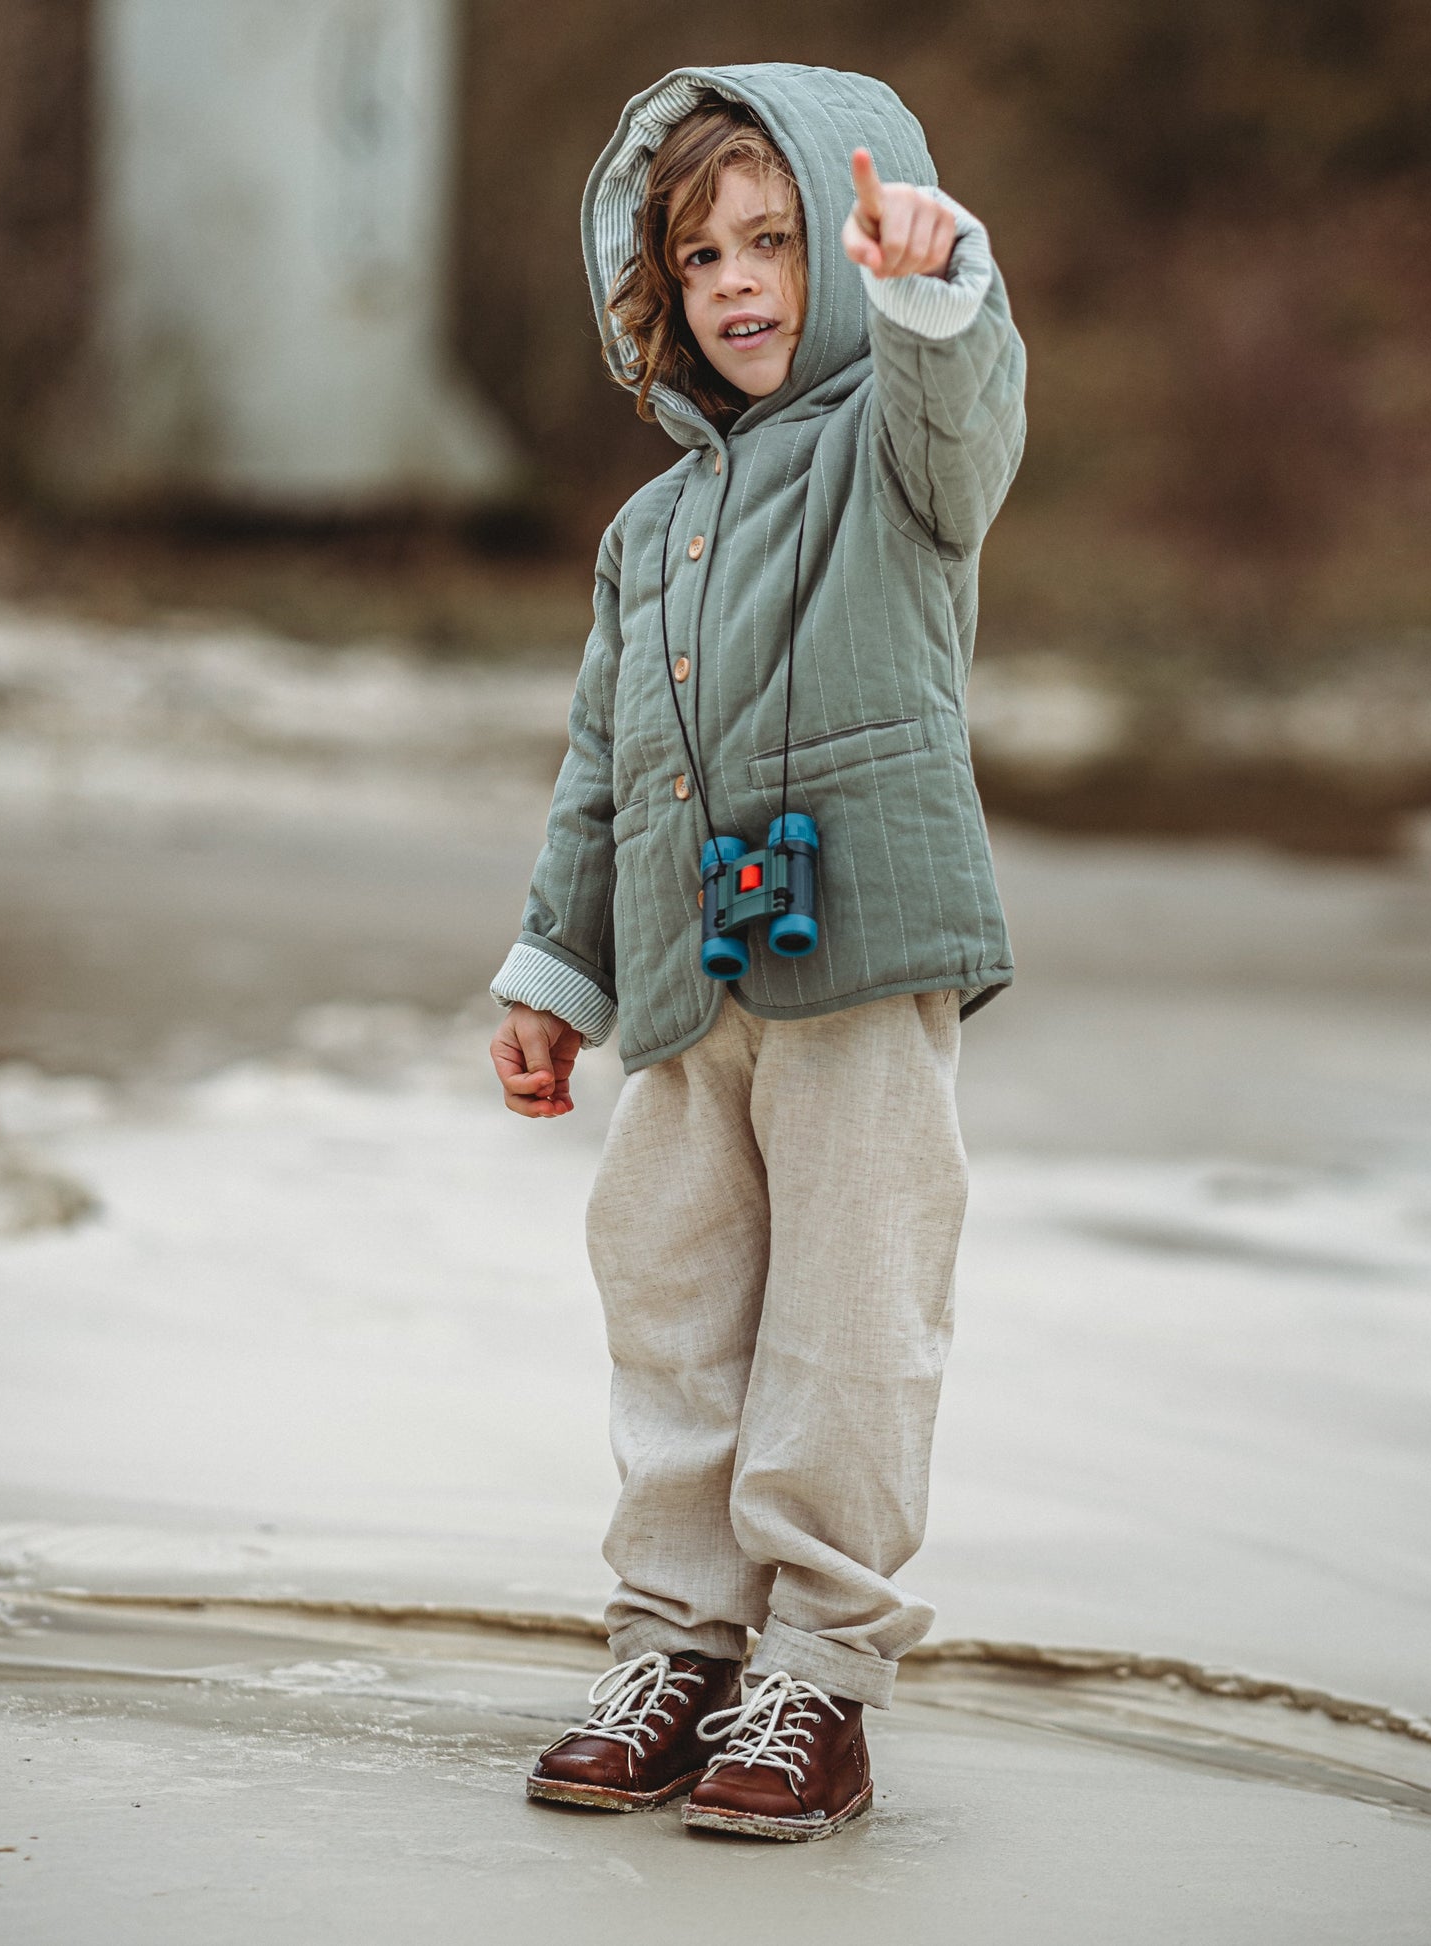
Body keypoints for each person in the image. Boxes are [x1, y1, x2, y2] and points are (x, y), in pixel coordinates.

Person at [487, 63, 1025, 1842]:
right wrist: (554, 970)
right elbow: (598, 765)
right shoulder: (646, 532)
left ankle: (819, 1672)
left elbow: (968, 422)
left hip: (858, 953)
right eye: (697, 253)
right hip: (679, 980)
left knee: (850, 1319)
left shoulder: (897, 446)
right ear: (655, 289)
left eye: (774, 240)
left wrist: (928, 288)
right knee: (672, 1303)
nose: (736, 282)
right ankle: (676, 1642)